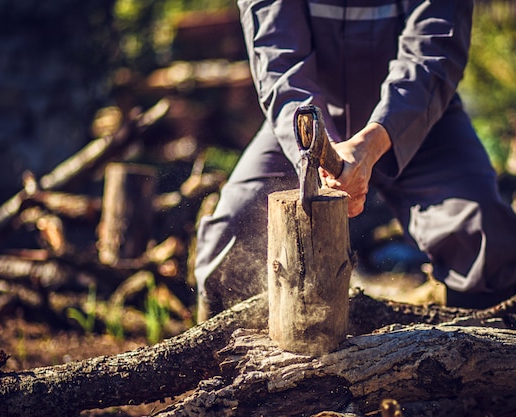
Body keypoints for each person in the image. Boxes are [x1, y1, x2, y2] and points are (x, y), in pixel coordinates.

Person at [194, 0, 516, 322]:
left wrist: (373, 142)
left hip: (420, 119)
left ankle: (481, 357)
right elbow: (279, 61)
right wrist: (322, 151)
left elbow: (431, 53)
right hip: (303, 126)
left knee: (482, 231)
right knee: (231, 234)